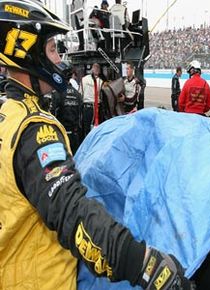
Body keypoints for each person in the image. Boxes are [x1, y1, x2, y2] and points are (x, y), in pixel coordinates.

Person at [0, 1, 193, 289]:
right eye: (52, 48)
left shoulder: (7, 115)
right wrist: (143, 263)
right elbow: (71, 211)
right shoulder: (35, 129)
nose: (59, 58)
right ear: (28, 52)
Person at [51, 80, 83, 155]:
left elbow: (52, 113)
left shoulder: (58, 93)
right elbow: (81, 115)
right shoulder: (78, 94)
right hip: (74, 133)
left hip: (61, 133)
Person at [80, 62, 103, 137]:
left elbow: (80, 92)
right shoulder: (100, 82)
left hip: (88, 107)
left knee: (87, 129)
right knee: (94, 129)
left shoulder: (84, 79)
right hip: (93, 108)